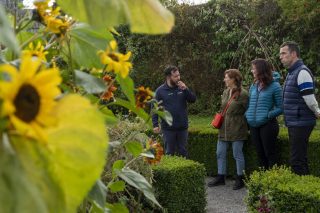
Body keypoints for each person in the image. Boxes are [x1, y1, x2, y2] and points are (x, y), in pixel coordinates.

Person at [280, 41, 320, 175]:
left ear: (294, 54)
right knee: (299, 157)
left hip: (301, 121)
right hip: (296, 121)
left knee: (297, 160)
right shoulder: (292, 72)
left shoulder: (302, 72)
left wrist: (317, 112)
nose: (281, 57)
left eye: (284, 53)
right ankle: (304, 188)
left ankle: (302, 189)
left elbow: (309, 98)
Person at [208, 69, 248, 190]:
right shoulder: (226, 92)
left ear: (234, 79)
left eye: (226, 78)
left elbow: (247, 111)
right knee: (220, 153)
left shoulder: (243, 94)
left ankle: (240, 178)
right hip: (223, 127)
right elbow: (222, 108)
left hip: (237, 127)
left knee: (237, 154)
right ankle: (221, 177)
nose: (224, 79)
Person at [245, 59, 283, 169]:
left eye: (254, 69)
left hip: (268, 125)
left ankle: (272, 180)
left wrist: (269, 115)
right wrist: (248, 114)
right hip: (253, 125)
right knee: (260, 154)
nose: (252, 71)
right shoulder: (254, 85)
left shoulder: (275, 86)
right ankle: (262, 180)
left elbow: (281, 107)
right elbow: (250, 103)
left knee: (270, 154)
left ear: (261, 70)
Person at [152, 65, 196, 157]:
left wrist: (186, 89)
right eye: (175, 76)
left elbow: (193, 100)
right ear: (169, 77)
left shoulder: (182, 88)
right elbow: (154, 108)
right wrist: (155, 124)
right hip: (168, 128)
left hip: (182, 127)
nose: (178, 78)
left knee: (183, 152)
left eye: (179, 75)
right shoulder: (160, 91)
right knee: (169, 153)